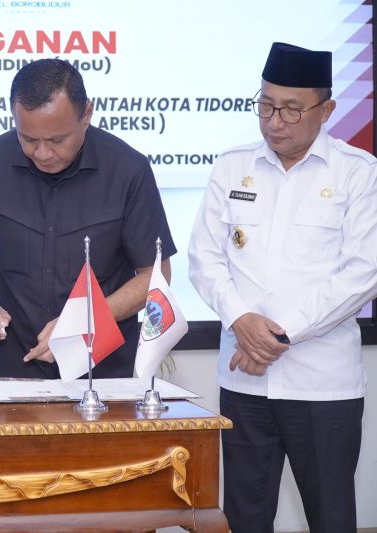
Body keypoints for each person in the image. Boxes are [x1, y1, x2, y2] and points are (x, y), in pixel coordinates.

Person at [188, 42, 377, 532]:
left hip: (322, 386)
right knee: (245, 519)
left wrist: (276, 335)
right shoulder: (232, 166)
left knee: (331, 518)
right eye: (266, 105)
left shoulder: (358, 173)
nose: (275, 121)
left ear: (326, 110)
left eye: (292, 109)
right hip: (244, 383)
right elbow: (204, 259)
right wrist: (241, 320)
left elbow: (361, 275)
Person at [0, 58, 176, 379]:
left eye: (56, 140)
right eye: (28, 139)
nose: (42, 153)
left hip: (100, 372)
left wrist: (83, 321)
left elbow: (155, 275)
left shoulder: (128, 170)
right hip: (12, 367)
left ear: (86, 114)